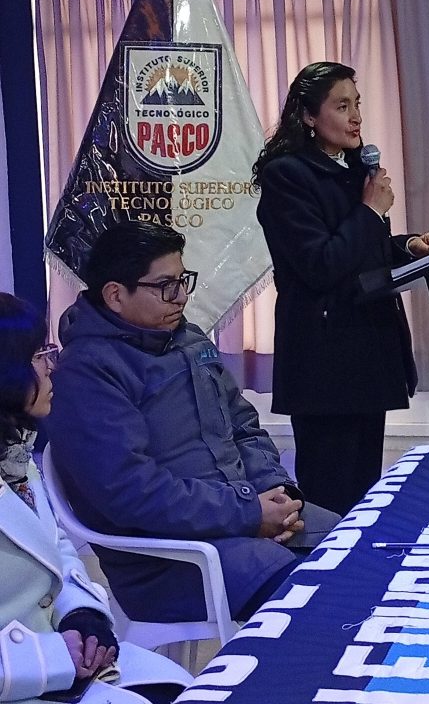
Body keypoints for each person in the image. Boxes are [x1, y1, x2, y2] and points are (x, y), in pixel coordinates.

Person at [45, 223, 339, 627]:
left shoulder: (190, 340)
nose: (181, 296)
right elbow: (134, 492)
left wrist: (276, 492)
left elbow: (243, 426)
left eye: (183, 281)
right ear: (115, 295)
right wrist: (248, 513)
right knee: (318, 603)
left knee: (360, 548)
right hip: (169, 558)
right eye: (166, 286)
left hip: (238, 518)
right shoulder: (87, 375)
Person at [253, 61, 429, 516]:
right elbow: (320, 265)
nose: (356, 117)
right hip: (325, 363)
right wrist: (371, 211)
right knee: (332, 497)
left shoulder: (355, 170)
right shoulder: (287, 177)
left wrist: (406, 246)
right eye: (342, 106)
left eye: (357, 104)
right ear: (308, 116)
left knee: (364, 494)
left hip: (368, 351)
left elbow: (359, 252)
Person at [0, 292, 190, 704]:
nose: (52, 366)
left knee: (185, 688)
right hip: (23, 678)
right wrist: (49, 656)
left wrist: (82, 615)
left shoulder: (14, 453)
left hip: (61, 662)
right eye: (38, 356)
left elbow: (55, 549)